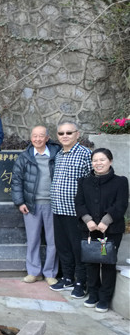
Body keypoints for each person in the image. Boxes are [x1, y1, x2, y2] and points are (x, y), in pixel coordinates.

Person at [76, 148, 129, 312]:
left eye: (102, 160)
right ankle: (93, 294)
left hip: (111, 230)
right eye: (95, 160)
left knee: (107, 264)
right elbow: (79, 203)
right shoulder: (84, 181)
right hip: (89, 229)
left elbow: (121, 204)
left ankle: (104, 298)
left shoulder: (120, 181)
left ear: (110, 161)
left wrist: (106, 221)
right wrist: (88, 220)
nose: (98, 163)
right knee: (91, 262)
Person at [12, 126, 61, 286]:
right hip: (31, 205)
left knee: (53, 241)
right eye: (35, 136)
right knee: (33, 240)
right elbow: (16, 180)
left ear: (47, 138)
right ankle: (34, 272)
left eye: (41, 136)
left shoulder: (57, 154)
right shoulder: (25, 157)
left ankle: (50, 273)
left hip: (53, 204)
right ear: (31, 138)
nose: (38, 139)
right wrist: (20, 202)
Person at [49, 122, 92, 298]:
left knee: (78, 248)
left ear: (77, 134)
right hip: (58, 209)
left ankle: (81, 282)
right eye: (61, 133)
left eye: (69, 132)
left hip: (76, 212)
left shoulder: (85, 154)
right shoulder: (59, 154)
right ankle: (67, 278)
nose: (65, 136)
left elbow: (91, 182)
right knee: (63, 247)